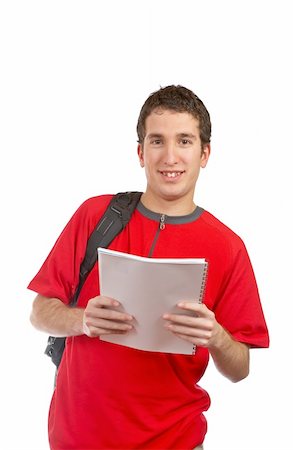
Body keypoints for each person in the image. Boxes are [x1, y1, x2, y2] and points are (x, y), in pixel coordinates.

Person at [28, 85, 269, 450]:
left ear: (205, 153)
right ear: (141, 153)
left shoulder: (228, 247)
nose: (170, 157)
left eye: (184, 141)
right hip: (77, 439)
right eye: (157, 141)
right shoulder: (95, 216)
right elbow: (39, 313)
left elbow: (240, 369)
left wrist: (216, 336)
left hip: (173, 442)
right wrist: (83, 321)